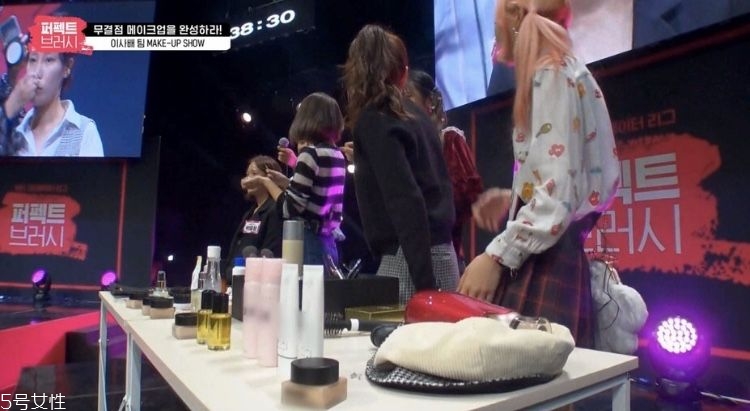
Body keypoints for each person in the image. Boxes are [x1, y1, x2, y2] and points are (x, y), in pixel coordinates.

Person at [457, 0, 620, 348]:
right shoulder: (564, 69)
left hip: (546, 263)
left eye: (497, 18)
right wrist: (517, 197)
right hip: (554, 259)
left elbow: (557, 192)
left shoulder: (550, 72)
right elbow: (567, 177)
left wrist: (496, 257)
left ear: (516, 15)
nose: (495, 30)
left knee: (529, 372)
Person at [342, 24, 459, 305]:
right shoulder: (417, 115)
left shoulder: (375, 118)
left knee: (407, 334)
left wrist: (425, 286)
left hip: (410, 261)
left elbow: (405, 199)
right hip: (443, 255)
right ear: (402, 71)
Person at [242, 92, 346, 268]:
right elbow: (315, 195)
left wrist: (267, 182)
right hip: (328, 243)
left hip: (308, 242)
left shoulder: (310, 154)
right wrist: (286, 182)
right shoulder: (338, 155)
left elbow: (289, 208)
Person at [405, 69, 483, 272]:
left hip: (445, 254)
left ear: (429, 101)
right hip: (408, 258)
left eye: (408, 96)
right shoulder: (402, 147)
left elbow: (467, 197)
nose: (402, 105)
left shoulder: (450, 140)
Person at [0, 51, 102, 156]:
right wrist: (11, 106)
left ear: (67, 67)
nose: (37, 73)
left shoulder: (84, 132)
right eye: (33, 60)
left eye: (48, 60)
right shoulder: (13, 134)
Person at [223, 155, 284, 280]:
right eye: (247, 174)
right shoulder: (250, 213)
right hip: (235, 277)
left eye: (254, 174)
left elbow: (270, 251)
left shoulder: (274, 210)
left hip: (256, 279)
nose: (248, 179)